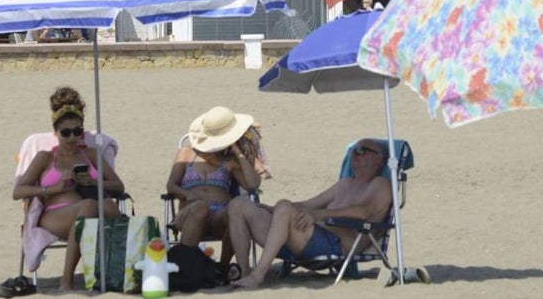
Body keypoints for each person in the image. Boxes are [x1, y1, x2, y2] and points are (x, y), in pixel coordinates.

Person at [228, 138, 392, 288]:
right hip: (302, 239)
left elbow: (363, 212)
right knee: (239, 205)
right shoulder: (345, 184)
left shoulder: (381, 185)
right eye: (353, 151)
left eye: (361, 151)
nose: (355, 155)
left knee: (284, 207)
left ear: (379, 159)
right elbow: (307, 205)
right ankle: (245, 272)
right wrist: (272, 209)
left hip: (334, 246)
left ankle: (258, 275)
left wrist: (318, 215)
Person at [12, 87, 124, 291]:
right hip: (53, 215)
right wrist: (52, 189)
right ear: (56, 133)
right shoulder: (45, 158)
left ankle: (116, 271)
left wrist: (93, 183)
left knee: (106, 204)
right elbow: (17, 192)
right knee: (90, 205)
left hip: (89, 214)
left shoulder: (91, 154)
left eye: (78, 131)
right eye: (66, 132)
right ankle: (67, 280)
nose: (73, 137)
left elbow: (118, 186)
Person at [165, 106, 261, 266]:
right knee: (200, 207)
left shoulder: (229, 161)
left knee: (233, 214)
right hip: (190, 211)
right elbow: (171, 186)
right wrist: (188, 195)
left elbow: (253, 184)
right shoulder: (186, 153)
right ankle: (186, 266)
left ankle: (222, 268)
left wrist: (237, 152)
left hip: (219, 216)